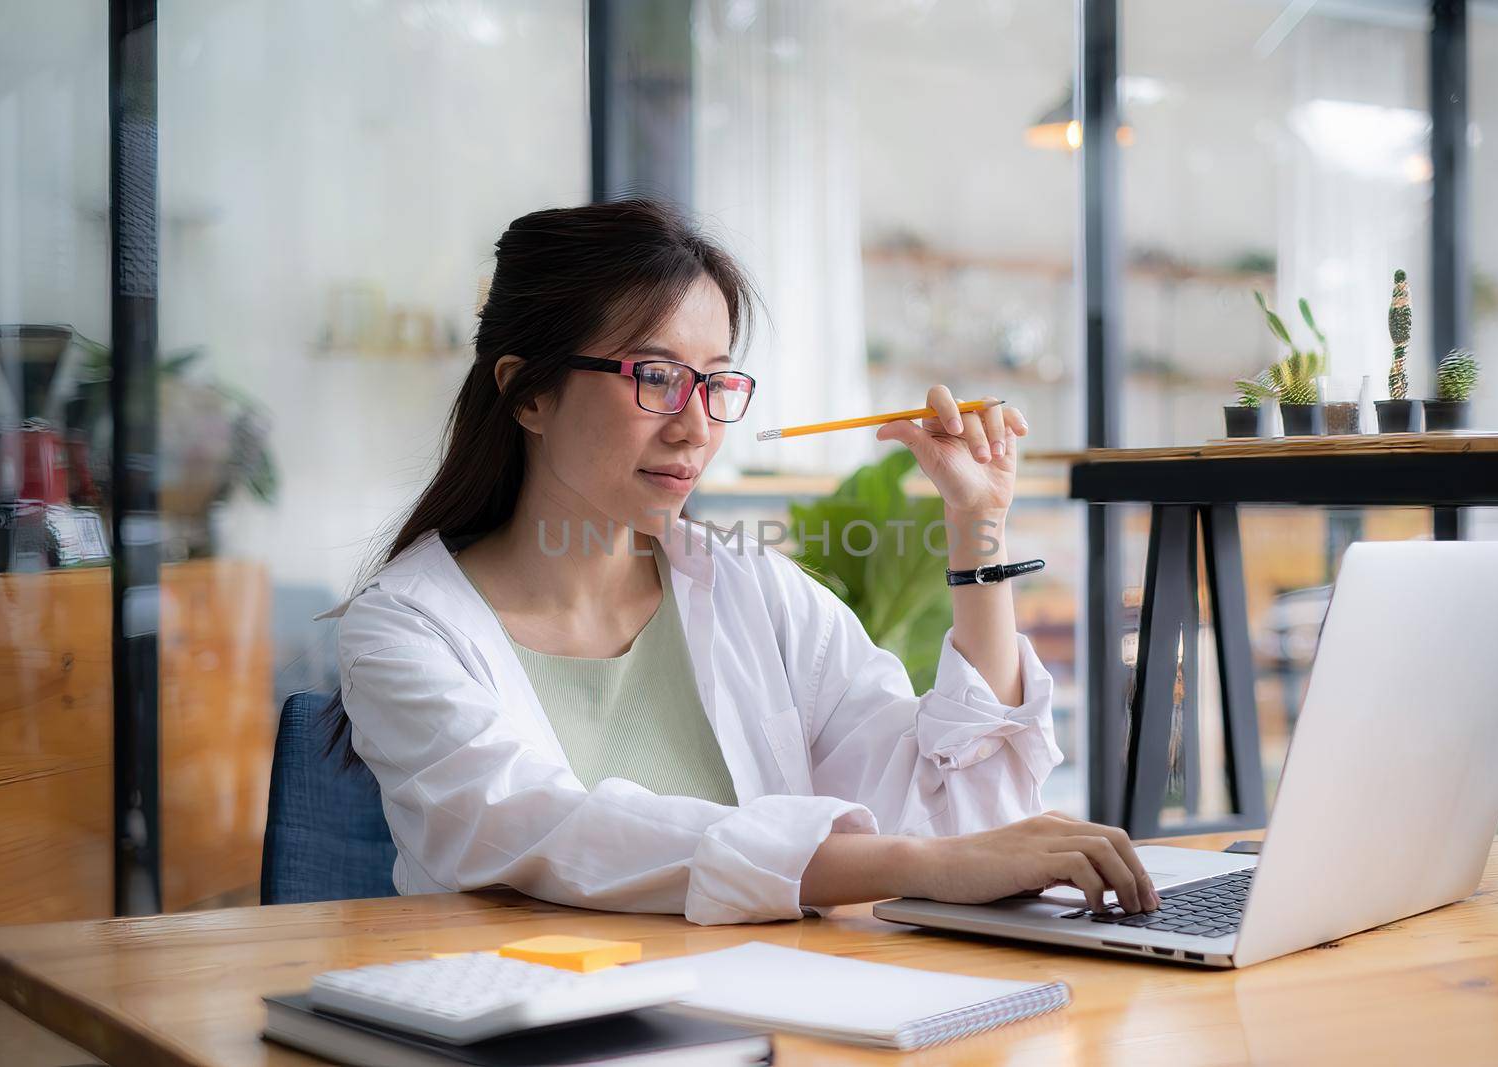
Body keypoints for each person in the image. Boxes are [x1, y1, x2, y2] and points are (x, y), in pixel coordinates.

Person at [320, 198, 1160, 924]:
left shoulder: (754, 591)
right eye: (655, 375)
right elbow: (551, 832)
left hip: (768, 1018)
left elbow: (961, 816)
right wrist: (916, 866)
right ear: (528, 391)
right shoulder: (406, 631)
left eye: (716, 382)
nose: (694, 427)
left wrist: (980, 522)